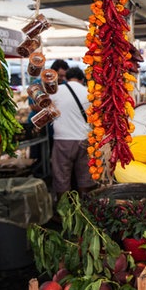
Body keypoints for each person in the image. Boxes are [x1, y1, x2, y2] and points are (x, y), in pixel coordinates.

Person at [50, 67, 95, 199]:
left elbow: (46, 109)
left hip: (63, 140)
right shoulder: (88, 92)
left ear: (66, 78)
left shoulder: (56, 91)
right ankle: (84, 208)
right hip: (84, 139)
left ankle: (64, 211)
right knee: (85, 177)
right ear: (82, 79)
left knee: (61, 176)